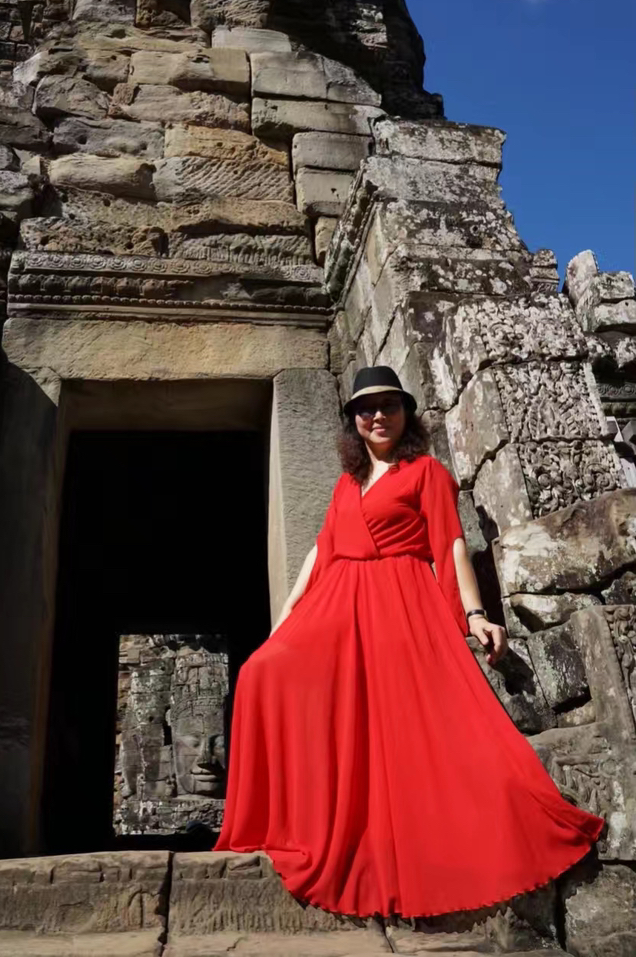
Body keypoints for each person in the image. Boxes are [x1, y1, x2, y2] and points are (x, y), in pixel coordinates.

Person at [212, 365, 605, 920]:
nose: (377, 416)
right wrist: (287, 616)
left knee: (407, 726)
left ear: (405, 414)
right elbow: (321, 551)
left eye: (389, 406)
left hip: (398, 595)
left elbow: (450, 545)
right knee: (260, 673)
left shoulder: (425, 472)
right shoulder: (346, 483)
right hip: (338, 599)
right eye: (366, 408)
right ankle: (290, 821)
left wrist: (475, 614)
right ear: (352, 420)